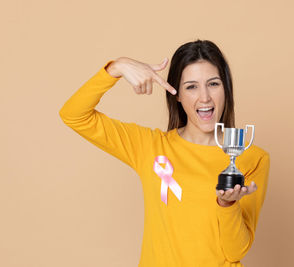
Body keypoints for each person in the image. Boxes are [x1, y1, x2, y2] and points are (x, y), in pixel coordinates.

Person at [59, 39, 270, 266]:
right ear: (176, 94)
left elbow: (235, 251)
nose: (205, 97)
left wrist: (228, 206)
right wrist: (116, 68)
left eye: (213, 84)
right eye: (191, 86)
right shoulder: (150, 146)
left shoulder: (252, 158)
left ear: (226, 89)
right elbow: (74, 115)